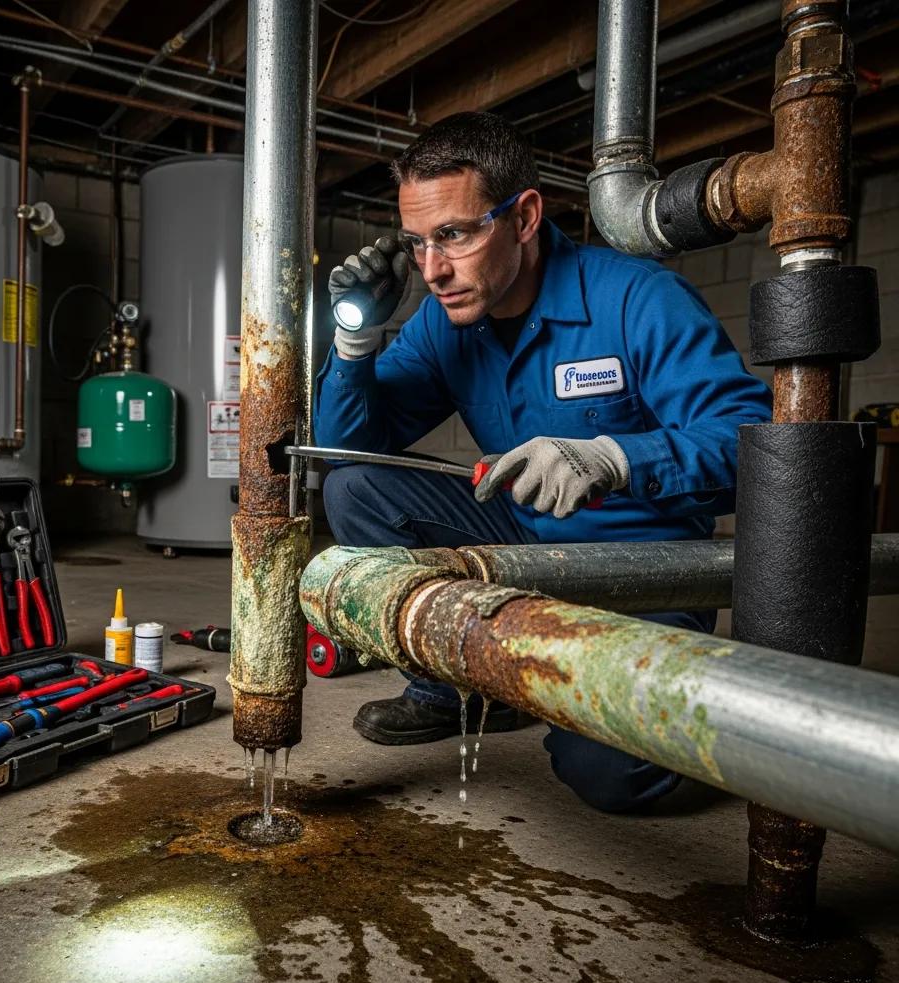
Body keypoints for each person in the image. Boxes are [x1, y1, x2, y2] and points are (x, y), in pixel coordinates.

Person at [313, 111, 771, 813]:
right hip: (522, 543)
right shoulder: (444, 322)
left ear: (525, 218)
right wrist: (357, 344)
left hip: (641, 577)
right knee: (359, 488)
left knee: (610, 774)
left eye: (456, 235)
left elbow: (755, 443)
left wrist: (616, 458)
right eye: (418, 242)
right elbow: (346, 449)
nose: (433, 270)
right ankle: (457, 687)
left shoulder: (638, 299)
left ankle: (711, 717)